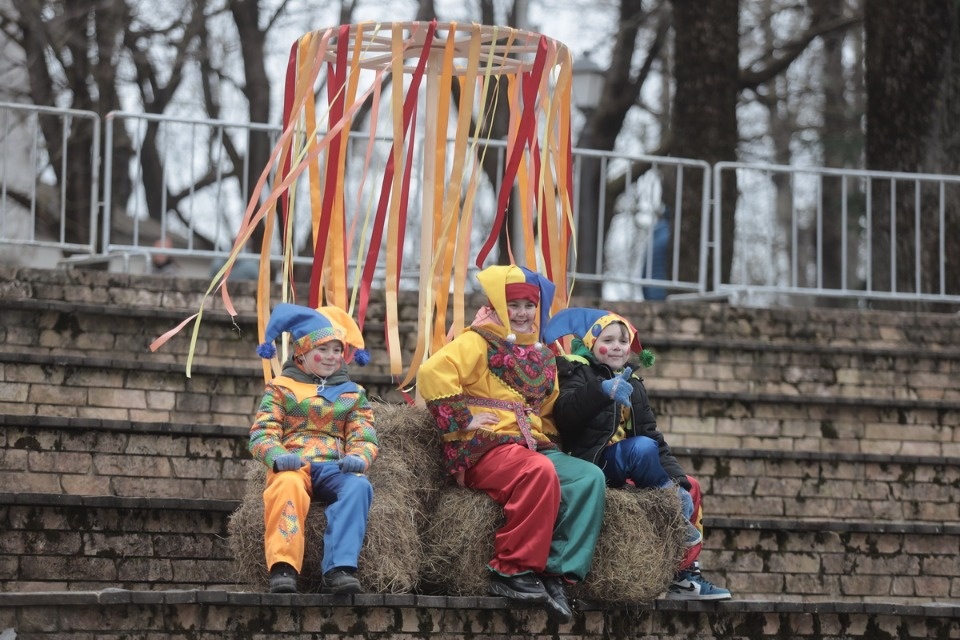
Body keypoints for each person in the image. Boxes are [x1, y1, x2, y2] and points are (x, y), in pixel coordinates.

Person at [418, 265, 606, 623]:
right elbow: (431, 372)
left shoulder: (544, 355)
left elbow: (549, 413)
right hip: (485, 447)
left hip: (531, 445)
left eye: (528, 306)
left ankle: (555, 573)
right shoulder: (477, 340)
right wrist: (463, 418)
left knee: (588, 478)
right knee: (537, 471)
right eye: (513, 305)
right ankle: (512, 570)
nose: (521, 314)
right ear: (499, 307)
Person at [545, 307, 731, 601]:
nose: (618, 347)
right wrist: (603, 391)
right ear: (593, 344)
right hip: (593, 462)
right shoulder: (576, 372)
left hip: (633, 466)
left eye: (623, 341)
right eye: (609, 339)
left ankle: (684, 576)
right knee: (641, 450)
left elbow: (654, 437)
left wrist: (677, 478)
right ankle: (674, 511)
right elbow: (565, 414)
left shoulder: (635, 386)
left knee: (690, 486)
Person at [248, 302, 378, 595]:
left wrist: (359, 457)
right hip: (295, 465)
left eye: (337, 350)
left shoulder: (353, 394)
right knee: (287, 485)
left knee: (358, 487)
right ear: (302, 353)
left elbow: (364, 434)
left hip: (335, 467)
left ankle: (340, 568)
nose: (332, 357)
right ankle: (284, 567)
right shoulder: (281, 388)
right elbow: (262, 434)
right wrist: (278, 457)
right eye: (324, 349)